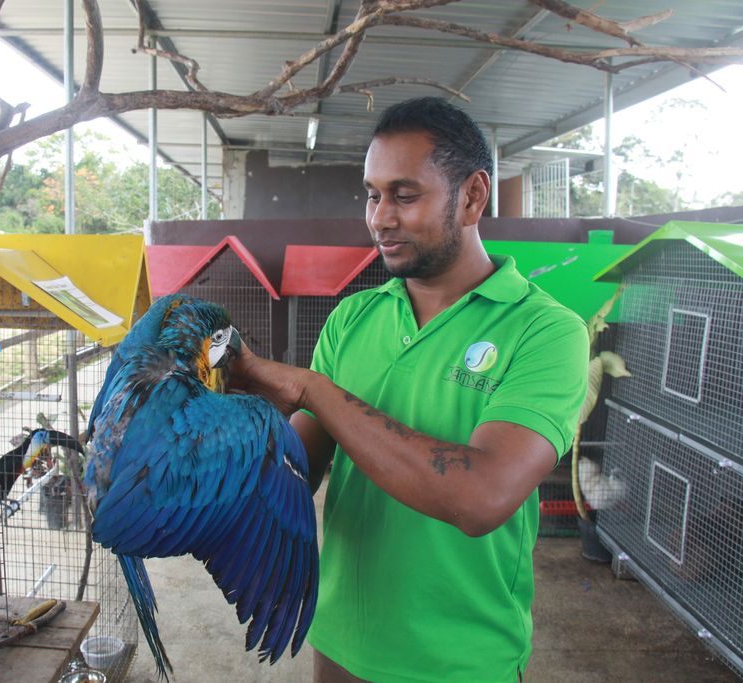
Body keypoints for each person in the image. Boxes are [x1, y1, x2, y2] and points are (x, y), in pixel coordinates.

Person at [231, 97, 589, 682]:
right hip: (341, 639)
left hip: (460, 659)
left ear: (473, 196)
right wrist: (216, 433)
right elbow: (297, 470)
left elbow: (481, 498)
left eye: (404, 194)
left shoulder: (545, 331)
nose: (379, 218)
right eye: (372, 195)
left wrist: (312, 389)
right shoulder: (354, 318)